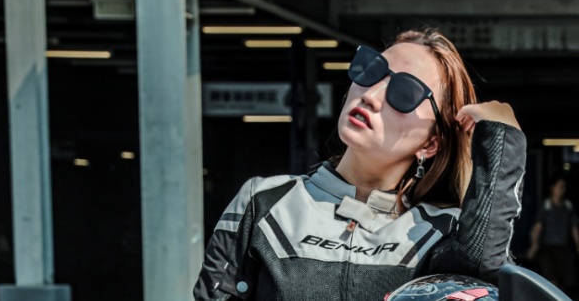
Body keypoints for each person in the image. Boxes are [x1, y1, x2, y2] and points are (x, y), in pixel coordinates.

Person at [193, 29, 527, 301]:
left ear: (430, 143)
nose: (371, 95)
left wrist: (502, 139)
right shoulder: (264, 202)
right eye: (372, 70)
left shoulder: (441, 230)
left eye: (405, 92)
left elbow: (481, 271)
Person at [527, 174, 579, 292]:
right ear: (553, 188)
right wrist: (534, 245)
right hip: (548, 249)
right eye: (560, 186)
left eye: (564, 186)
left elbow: (574, 227)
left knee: (566, 283)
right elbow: (537, 227)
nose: (562, 189)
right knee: (552, 282)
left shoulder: (568, 206)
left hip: (564, 249)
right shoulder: (546, 206)